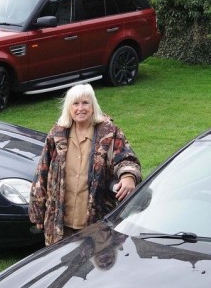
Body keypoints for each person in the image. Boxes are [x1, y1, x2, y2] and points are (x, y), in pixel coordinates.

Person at [29, 83, 141, 246]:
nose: (80, 108)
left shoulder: (109, 133)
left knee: (95, 267)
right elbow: (42, 173)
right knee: (62, 267)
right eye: (75, 103)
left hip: (97, 223)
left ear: (93, 106)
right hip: (60, 223)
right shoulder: (57, 134)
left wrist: (128, 176)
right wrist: (38, 212)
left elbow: (126, 158)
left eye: (85, 103)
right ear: (69, 108)